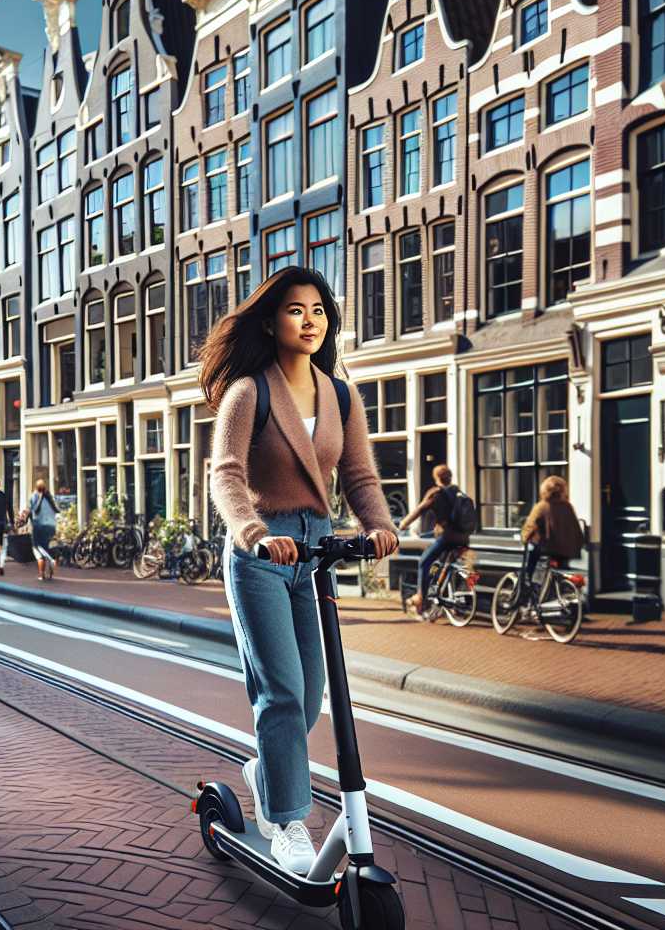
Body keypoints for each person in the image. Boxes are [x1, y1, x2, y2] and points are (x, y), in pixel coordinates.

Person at [204, 266, 399, 876]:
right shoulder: (248, 393)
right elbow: (227, 475)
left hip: (316, 555)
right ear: (272, 320)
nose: (309, 320)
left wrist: (377, 527)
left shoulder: (340, 395)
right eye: (296, 310)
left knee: (311, 693)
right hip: (263, 555)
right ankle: (288, 821)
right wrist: (255, 534)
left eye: (318, 310)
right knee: (281, 692)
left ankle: (265, 771)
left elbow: (360, 477)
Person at [398, 465, 476, 620]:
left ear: (436, 478)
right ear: (450, 477)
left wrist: (403, 524)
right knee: (449, 565)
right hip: (463, 538)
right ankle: (447, 598)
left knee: (424, 561)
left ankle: (421, 598)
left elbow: (419, 510)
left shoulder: (436, 494)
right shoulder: (459, 493)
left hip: (447, 538)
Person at [519, 475, 584, 593]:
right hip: (566, 550)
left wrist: (524, 538)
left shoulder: (542, 506)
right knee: (560, 572)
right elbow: (576, 528)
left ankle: (528, 583)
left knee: (532, 562)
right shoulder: (568, 507)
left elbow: (530, 526)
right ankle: (560, 591)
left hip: (547, 548)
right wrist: (579, 543)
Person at [25, 478, 59, 581]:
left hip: (39, 526)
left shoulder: (34, 496)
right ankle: (51, 568)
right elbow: (57, 510)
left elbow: (34, 510)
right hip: (51, 526)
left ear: (36, 487)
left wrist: (26, 520)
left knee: (38, 549)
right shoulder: (50, 497)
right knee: (48, 548)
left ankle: (41, 574)